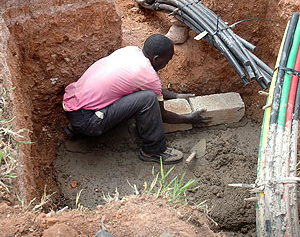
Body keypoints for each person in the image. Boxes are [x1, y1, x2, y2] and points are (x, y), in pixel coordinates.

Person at [62, 34, 209, 164]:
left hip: (72, 105)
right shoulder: (148, 75)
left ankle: (74, 128)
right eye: (166, 61)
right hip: (88, 121)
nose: (166, 65)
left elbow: (142, 84)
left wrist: (175, 96)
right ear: (156, 58)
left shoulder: (130, 51)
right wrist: (189, 119)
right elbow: (162, 114)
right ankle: (153, 150)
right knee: (148, 99)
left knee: (137, 94)